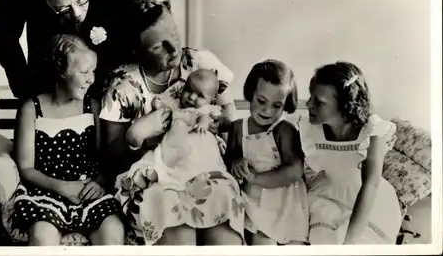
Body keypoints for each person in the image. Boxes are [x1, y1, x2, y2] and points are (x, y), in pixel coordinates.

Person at [100, 0, 243, 245]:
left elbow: (229, 112)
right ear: (136, 51)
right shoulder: (123, 88)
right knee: (171, 207)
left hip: (207, 167)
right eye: (159, 47)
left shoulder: (200, 63)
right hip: (157, 177)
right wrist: (136, 137)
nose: (174, 49)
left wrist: (223, 127)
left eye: (174, 35)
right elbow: (111, 158)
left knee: (221, 202)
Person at [10, 34, 124, 245]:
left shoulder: (93, 106)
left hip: (87, 192)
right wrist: (61, 187)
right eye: (84, 72)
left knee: (113, 229)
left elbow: (103, 159)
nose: (91, 79)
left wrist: (99, 183)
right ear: (61, 71)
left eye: (93, 71)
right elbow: (26, 168)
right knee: (43, 234)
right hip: (46, 193)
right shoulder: (31, 109)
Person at [0, 0, 145, 100]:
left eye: (81, 0)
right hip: (50, 85)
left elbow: (151, 24)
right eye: (62, 8)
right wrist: (24, 88)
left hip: (107, 85)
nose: (76, 13)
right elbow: (2, 33)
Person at [299, 61, 402, 244]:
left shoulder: (372, 132)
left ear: (345, 106)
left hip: (367, 201)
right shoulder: (310, 129)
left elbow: (371, 184)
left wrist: (350, 242)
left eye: (319, 101)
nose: (308, 104)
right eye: (310, 96)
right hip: (328, 196)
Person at [224, 60, 309, 245]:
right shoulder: (238, 128)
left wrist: (255, 178)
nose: (267, 111)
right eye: (261, 101)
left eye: (277, 105)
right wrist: (236, 162)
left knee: (294, 244)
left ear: (286, 103)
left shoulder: (284, 129)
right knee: (262, 244)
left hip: (285, 201)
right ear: (250, 94)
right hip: (255, 201)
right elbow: (229, 158)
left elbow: (295, 170)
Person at [122, 68, 230, 192]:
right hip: (172, 146)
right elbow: (162, 107)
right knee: (155, 158)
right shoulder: (175, 106)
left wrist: (206, 122)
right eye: (188, 90)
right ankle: (144, 177)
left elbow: (223, 122)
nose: (192, 97)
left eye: (200, 95)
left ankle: (165, 178)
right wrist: (158, 105)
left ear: (212, 99)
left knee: (195, 167)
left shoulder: (208, 109)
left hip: (198, 148)